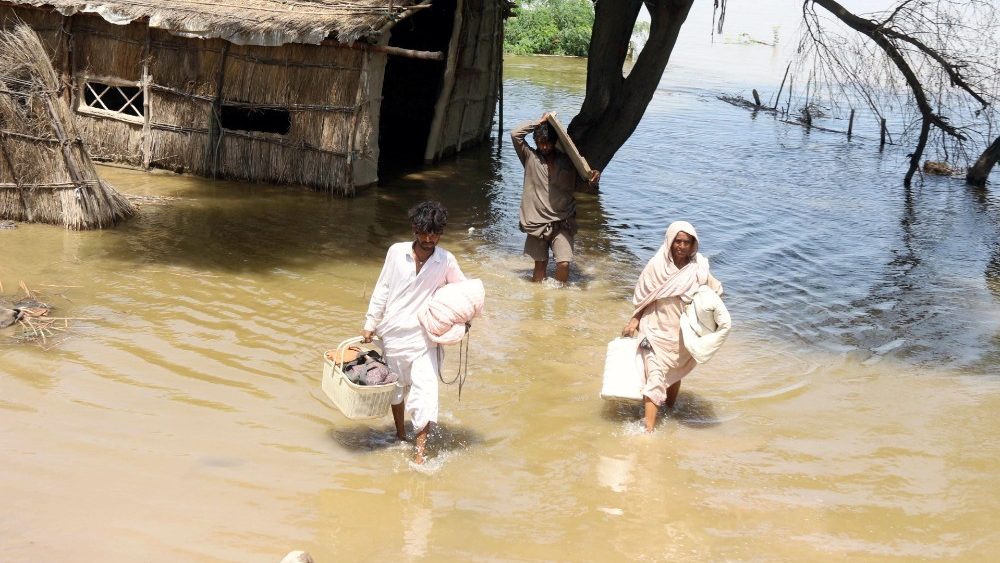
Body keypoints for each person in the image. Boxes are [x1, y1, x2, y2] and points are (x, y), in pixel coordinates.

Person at [362, 201, 466, 463]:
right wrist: (370, 323)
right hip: (393, 334)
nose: (428, 240)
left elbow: (462, 293)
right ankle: (400, 436)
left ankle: (419, 456)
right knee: (396, 390)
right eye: (424, 233)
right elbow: (383, 288)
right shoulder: (396, 253)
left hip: (425, 339)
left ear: (440, 233)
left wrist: (463, 320)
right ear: (414, 229)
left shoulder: (446, 261)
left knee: (426, 392)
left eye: (434, 234)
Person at [621, 221, 723, 433]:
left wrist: (707, 317)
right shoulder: (656, 266)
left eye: (687, 242)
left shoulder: (698, 269)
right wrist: (634, 320)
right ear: (669, 241)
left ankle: (668, 411)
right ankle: (648, 431)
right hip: (654, 328)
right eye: (678, 241)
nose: (681, 246)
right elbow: (644, 297)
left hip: (682, 334)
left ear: (693, 244)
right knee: (655, 376)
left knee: (675, 373)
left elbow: (716, 292)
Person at [512, 113, 601, 283]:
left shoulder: (567, 162)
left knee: (564, 263)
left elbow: (579, 186)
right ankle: (540, 297)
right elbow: (515, 134)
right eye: (540, 143)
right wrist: (538, 122)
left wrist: (593, 180)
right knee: (540, 266)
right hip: (537, 223)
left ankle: (561, 293)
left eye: (547, 143)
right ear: (536, 142)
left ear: (554, 142)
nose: (544, 147)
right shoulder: (530, 158)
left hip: (563, 221)